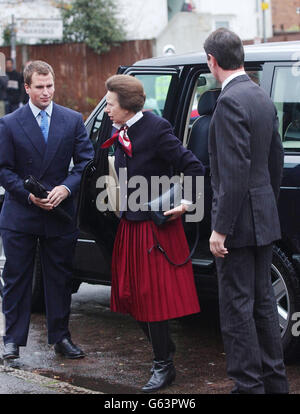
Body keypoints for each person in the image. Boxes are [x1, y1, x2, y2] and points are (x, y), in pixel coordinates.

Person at [102, 74, 204, 393]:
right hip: (130, 226)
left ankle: (163, 365)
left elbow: (194, 168)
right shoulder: (118, 129)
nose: (106, 109)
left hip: (155, 228)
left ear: (126, 105)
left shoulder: (157, 129)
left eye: (109, 104)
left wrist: (185, 203)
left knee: (152, 299)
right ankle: (165, 352)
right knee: (131, 296)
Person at [204, 28, 289, 394]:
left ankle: (247, 386)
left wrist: (220, 229)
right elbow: (276, 162)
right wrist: (263, 203)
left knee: (237, 309)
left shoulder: (229, 102)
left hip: (237, 226)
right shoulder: (260, 96)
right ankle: (274, 384)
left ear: (212, 61)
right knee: (264, 305)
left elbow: (233, 172)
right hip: (263, 219)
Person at [0, 60, 94, 360]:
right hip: (21, 213)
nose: (46, 92)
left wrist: (66, 188)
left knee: (60, 278)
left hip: (59, 211)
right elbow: (3, 169)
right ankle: (12, 340)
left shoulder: (71, 119)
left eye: (50, 86)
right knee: (16, 279)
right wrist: (29, 196)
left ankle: (61, 337)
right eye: (39, 87)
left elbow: (85, 162)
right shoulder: (10, 123)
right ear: (27, 87)